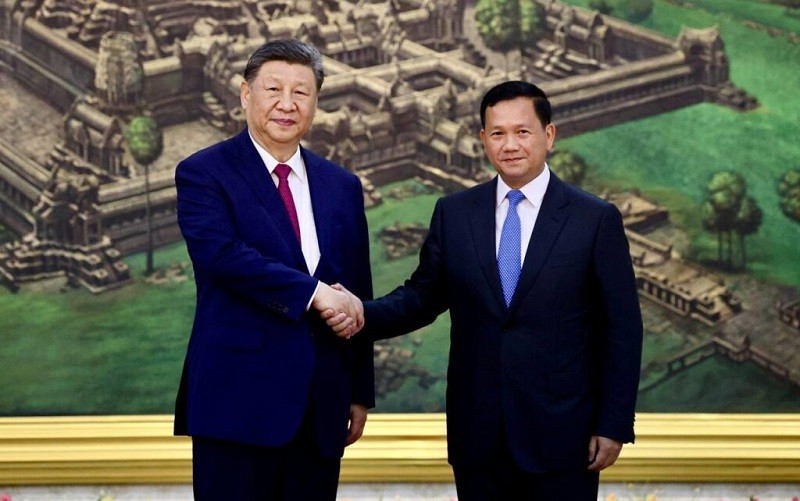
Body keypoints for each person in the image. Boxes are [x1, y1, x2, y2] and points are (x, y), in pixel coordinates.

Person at [328, 80, 643, 499]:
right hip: (478, 436)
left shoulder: (594, 219)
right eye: (497, 133)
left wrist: (613, 423)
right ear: (482, 139)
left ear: (549, 135)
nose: (510, 145)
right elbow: (420, 298)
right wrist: (358, 312)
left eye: (522, 131)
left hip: (564, 435)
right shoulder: (455, 214)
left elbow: (622, 329)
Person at [173, 38, 373, 500]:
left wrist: (359, 389)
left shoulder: (342, 185)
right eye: (273, 90)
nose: (287, 104)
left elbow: (357, 290)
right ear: (246, 94)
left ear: (316, 102)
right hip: (236, 404)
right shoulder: (204, 173)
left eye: (301, 93)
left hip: (321, 407)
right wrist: (314, 293)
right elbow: (223, 257)